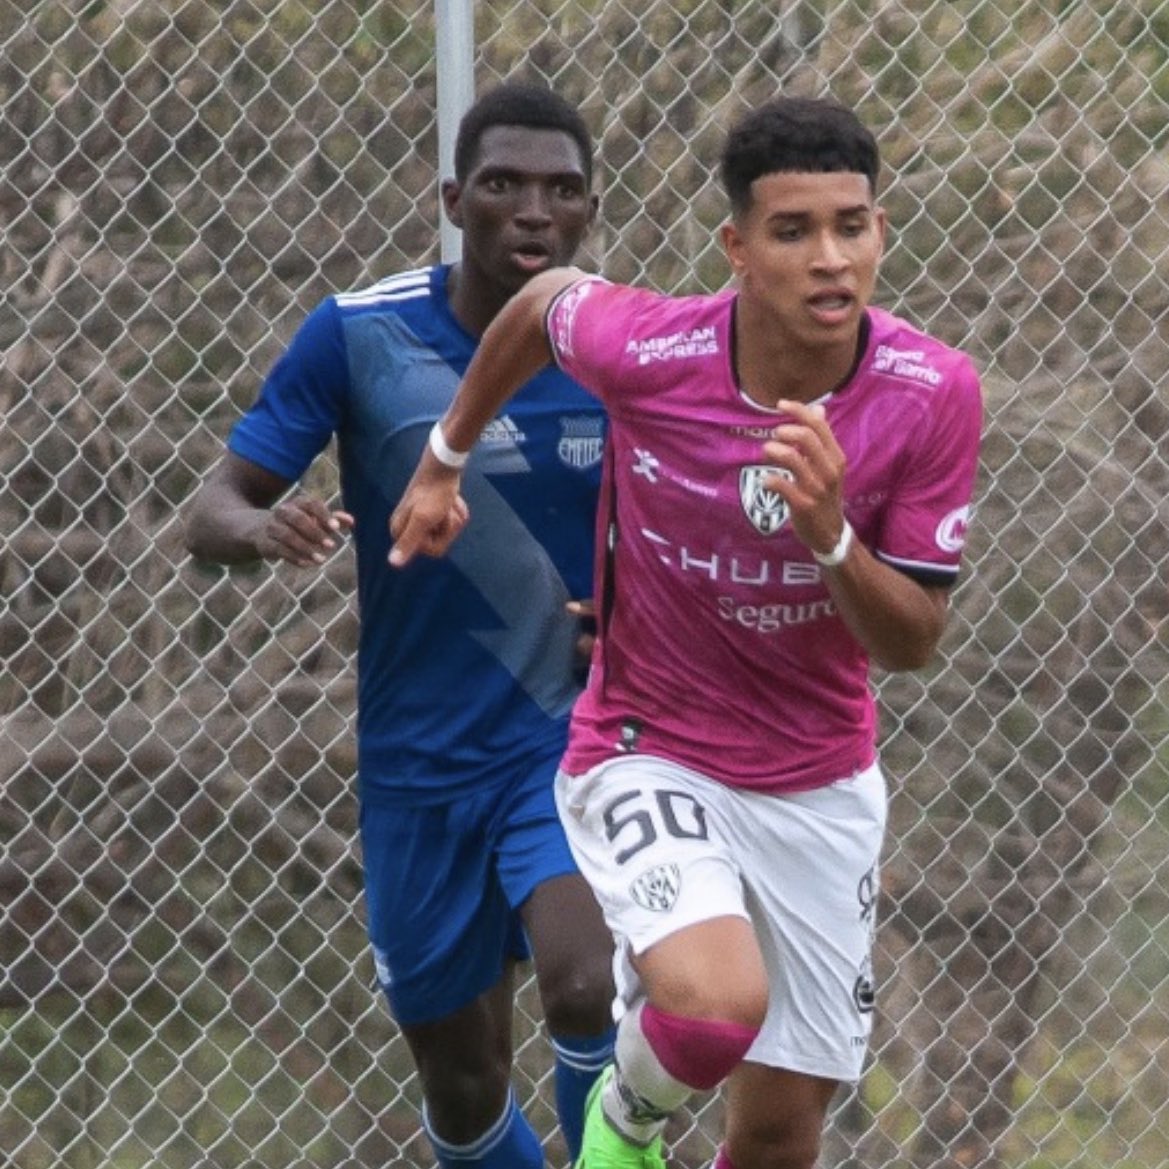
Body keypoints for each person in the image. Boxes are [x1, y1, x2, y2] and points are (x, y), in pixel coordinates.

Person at [387, 94, 984, 1169]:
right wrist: (442, 456)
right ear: (738, 248)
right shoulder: (654, 348)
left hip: (817, 781)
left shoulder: (931, 391)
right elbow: (539, 308)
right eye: (792, 231)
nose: (829, 257)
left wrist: (831, 538)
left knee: (778, 1131)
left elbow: (910, 642)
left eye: (851, 225)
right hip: (645, 744)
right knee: (712, 1011)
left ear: (881, 231)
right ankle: (622, 1120)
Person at [184, 81, 617, 1169]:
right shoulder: (359, 333)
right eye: (502, 185)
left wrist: (638, 615)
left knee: (582, 981)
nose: (532, 211)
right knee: (466, 1087)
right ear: (450, 199)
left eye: (560, 191)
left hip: (563, 741)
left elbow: (686, 531)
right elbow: (210, 510)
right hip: (414, 763)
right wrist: (263, 528)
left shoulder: (624, 349)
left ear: (588, 211)